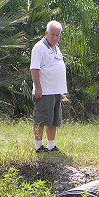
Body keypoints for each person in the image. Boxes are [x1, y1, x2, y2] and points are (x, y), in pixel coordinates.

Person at [30, 20, 68, 153]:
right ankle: (38, 146)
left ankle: (51, 145)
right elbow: (34, 69)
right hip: (44, 92)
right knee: (40, 119)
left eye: (58, 35)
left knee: (53, 120)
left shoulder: (56, 49)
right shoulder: (39, 47)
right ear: (46, 33)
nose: (55, 37)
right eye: (53, 34)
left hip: (56, 91)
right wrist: (38, 88)